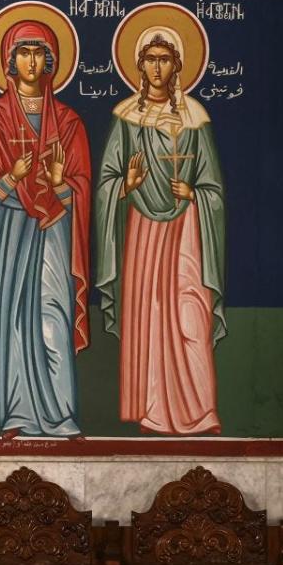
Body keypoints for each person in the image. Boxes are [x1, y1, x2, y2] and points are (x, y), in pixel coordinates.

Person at [0, 20, 91, 438]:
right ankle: (18, 412)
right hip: (9, 230)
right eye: (23, 52)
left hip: (53, 230)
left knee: (53, 314)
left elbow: (82, 188)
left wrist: (59, 186)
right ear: (9, 61)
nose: (31, 61)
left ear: (49, 60)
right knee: (11, 318)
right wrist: (9, 180)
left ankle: (61, 412)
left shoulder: (68, 122)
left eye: (38, 53)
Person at [95, 26, 225, 435]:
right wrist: (125, 186)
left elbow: (214, 189)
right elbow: (106, 183)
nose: (156, 67)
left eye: (164, 59)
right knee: (149, 317)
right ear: (139, 64)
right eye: (150, 59)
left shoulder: (195, 118)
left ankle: (201, 410)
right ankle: (154, 409)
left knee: (192, 316)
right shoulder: (126, 118)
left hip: (188, 229)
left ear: (177, 65)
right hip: (143, 233)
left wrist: (195, 193)